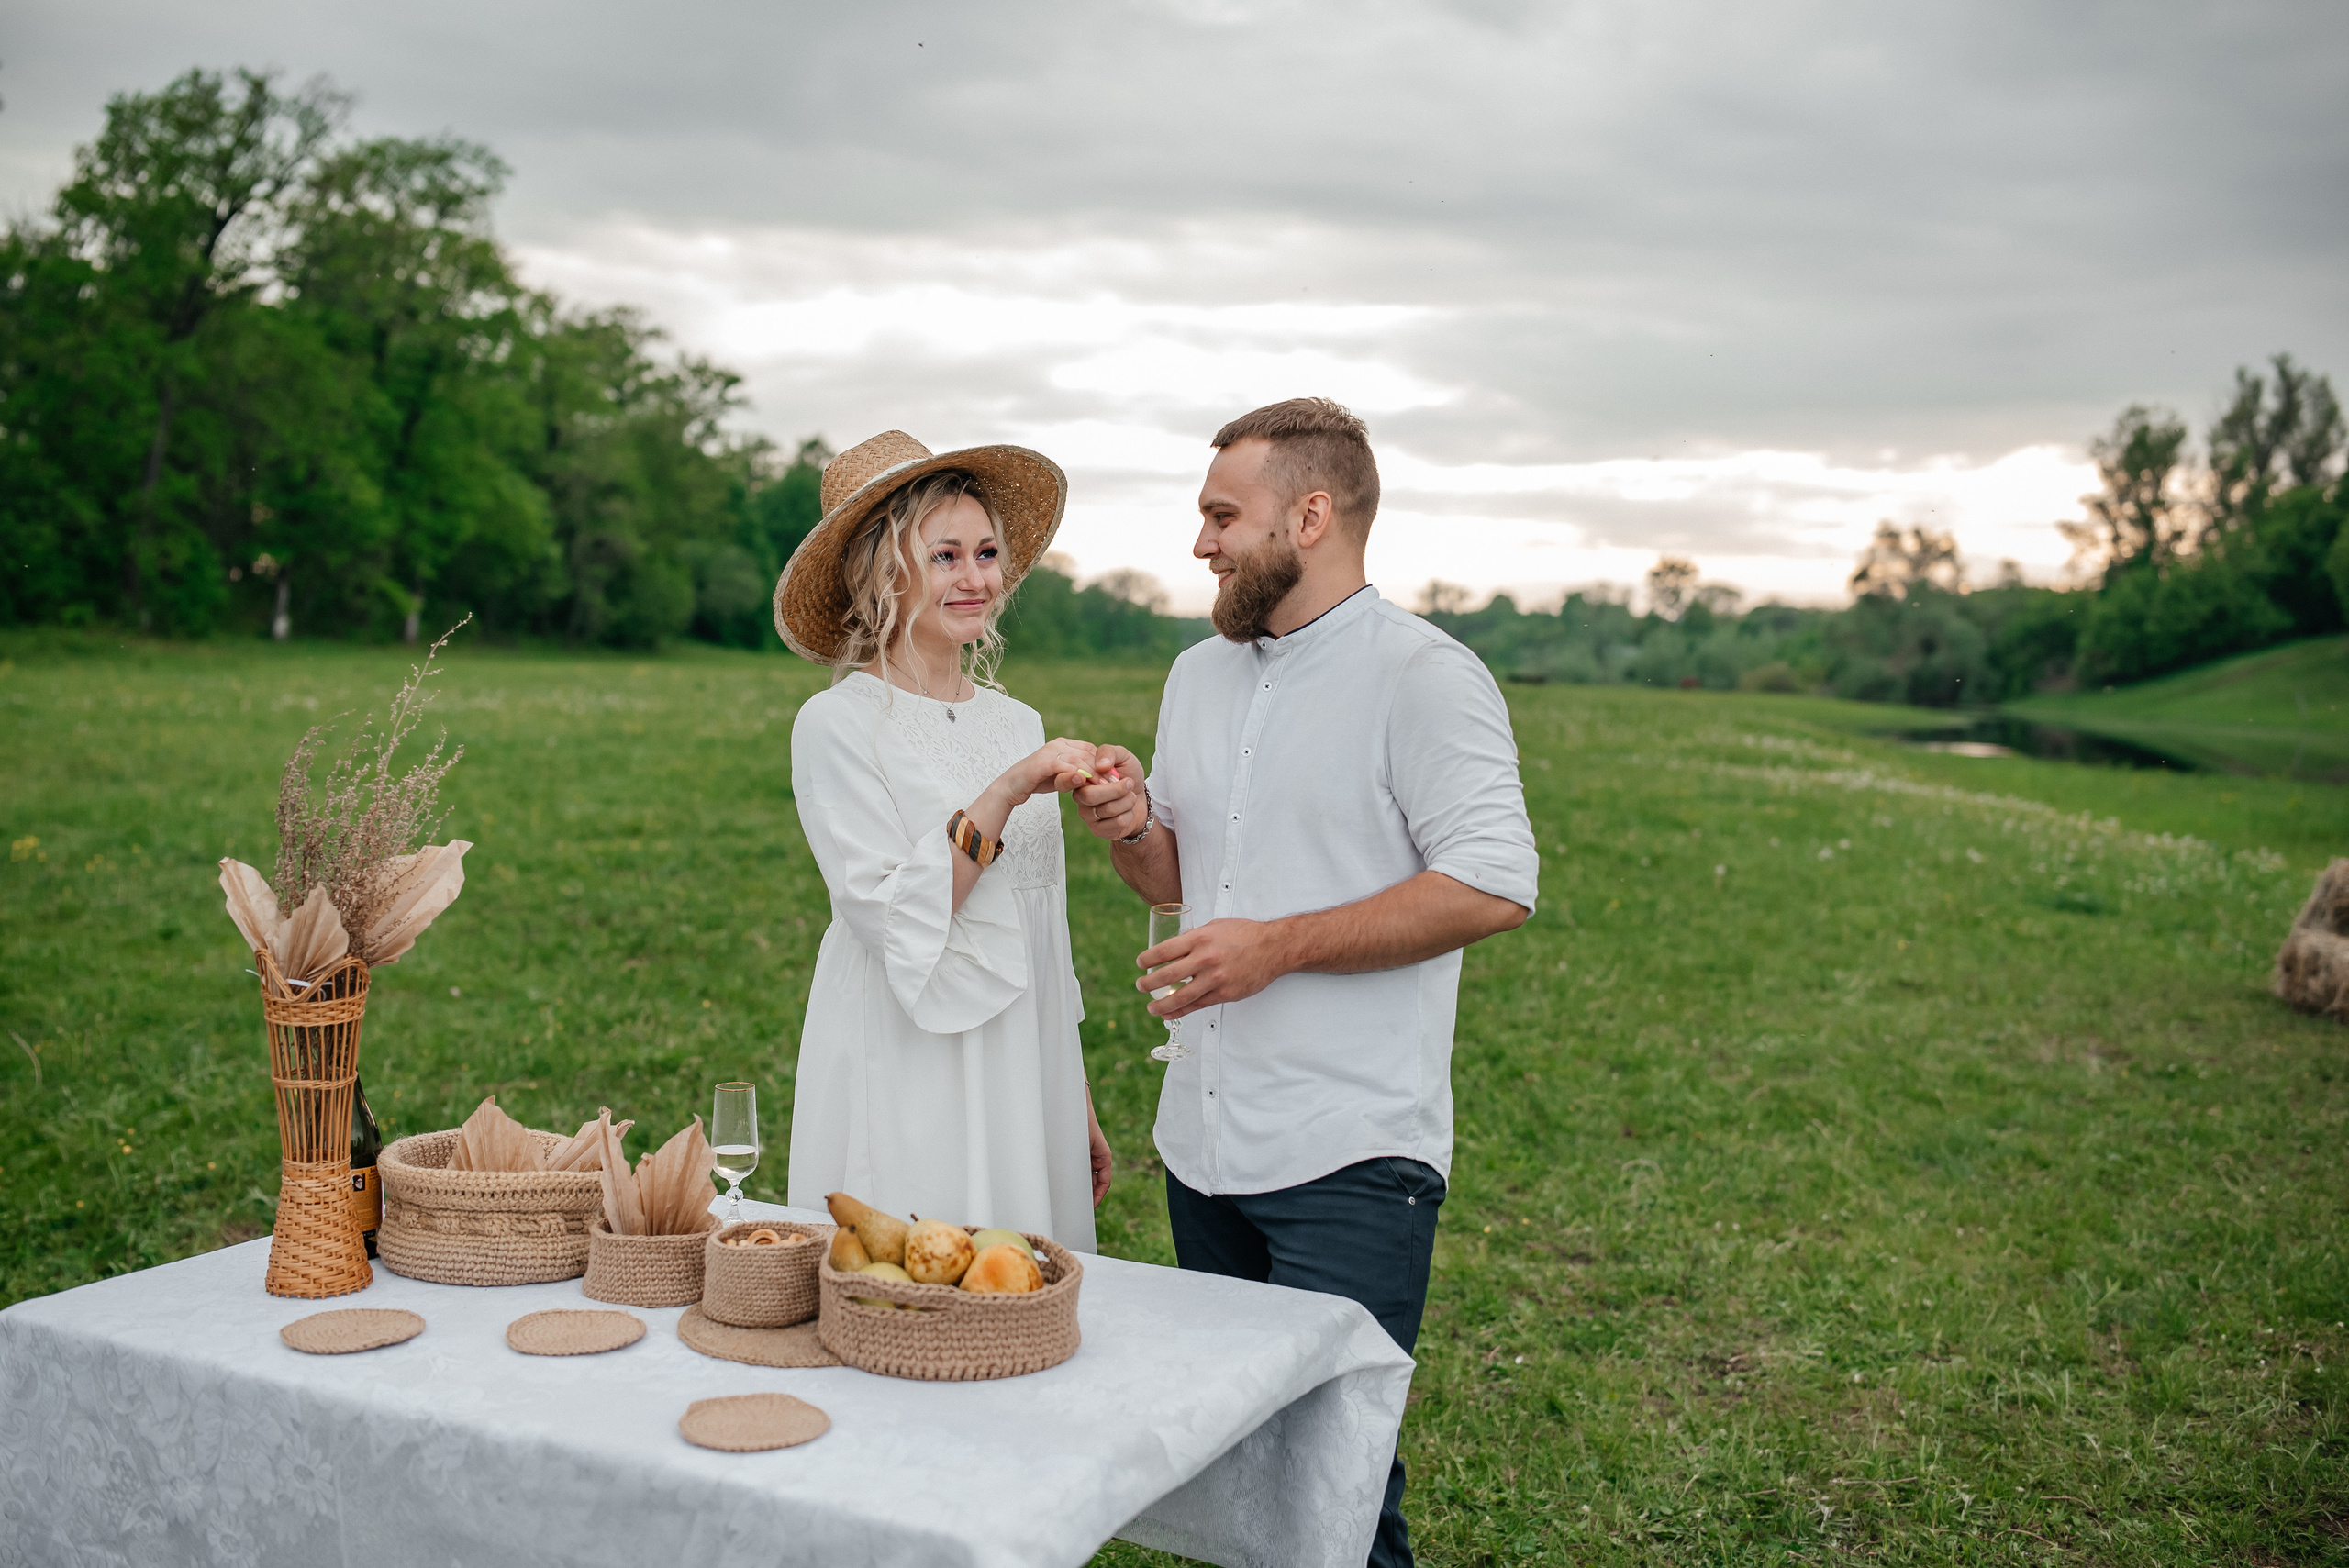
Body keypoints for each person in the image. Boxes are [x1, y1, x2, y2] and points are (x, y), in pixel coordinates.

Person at [1073, 398, 1538, 1566]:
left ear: (1312, 515)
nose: (1201, 544)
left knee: (1338, 1493)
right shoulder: (1197, 675)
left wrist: (1276, 945)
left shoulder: (1424, 675)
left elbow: (1492, 883)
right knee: (1247, 1483)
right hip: (1203, 1143)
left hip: (1351, 1154)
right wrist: (1131, 826)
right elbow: (1175, 878)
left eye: (1222, 516)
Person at [776, 428, 1113, 1251]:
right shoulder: (838, 723)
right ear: (883, 570)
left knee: (1023, 1277)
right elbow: (894, 916)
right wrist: (1004, 791)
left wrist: (1071, 1097)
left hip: (1023, 1056)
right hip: (909, 1053)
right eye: (946, 556)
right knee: (916, 1275)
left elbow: (1043, 926)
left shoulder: (1018, 721)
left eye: (987, 553)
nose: (976, 578)